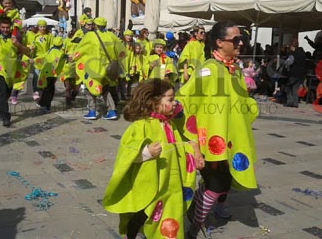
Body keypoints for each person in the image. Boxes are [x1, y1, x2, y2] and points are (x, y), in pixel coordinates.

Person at [176, 21, 258, 238]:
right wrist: (193, 143)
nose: (241, 43)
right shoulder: (209, 70)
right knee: (217, 184)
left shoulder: (234, 69)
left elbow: (241, 103)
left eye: (242, 39)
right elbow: (185, 101)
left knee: (225, 180)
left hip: (231, 140)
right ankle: (193, 224)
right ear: (220, 43)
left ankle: (201, 212)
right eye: (236, 40)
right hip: (210, 143)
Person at [102, 79, 202, 239]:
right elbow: (126, 154)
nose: (175, 103)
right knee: (142, 214)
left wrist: (191, 150)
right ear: (153, 102)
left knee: (166, 216)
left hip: (169, 183)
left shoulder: (170, 124)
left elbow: (177, 147)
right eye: (170, 99)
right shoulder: (140, 126)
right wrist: (146, 152)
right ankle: (132, 234)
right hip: (147, 184)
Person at [75, 17, 126, 120]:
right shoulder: (111, 36)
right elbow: (122, 51)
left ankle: (92, 111)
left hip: (93, 67)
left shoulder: (90, 36)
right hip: (107, 68)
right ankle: (111, 111)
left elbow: (81, 49)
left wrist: (74, 57)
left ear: (95, 25)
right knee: (105, 90)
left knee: (90, 89)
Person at [35, 37, 67, 112]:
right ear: (61, 45)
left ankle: (42, 103)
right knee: (50, 90)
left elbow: (42, 57)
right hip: (51, 74)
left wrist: (34, 60)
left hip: (45, 72)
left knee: (46, 89)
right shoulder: (58, 52)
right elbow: (62, 57)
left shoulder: (50, 50)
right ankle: (46, 105)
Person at [284, 37, 306, 108]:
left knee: (287, 87)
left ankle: (290, 101)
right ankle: (295, 103)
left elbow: (290, 62)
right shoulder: (302, 52)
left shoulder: (293, 53)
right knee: (295, 88)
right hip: (301, 74)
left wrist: (285, 63)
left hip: (293, 73)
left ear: (292, 46)